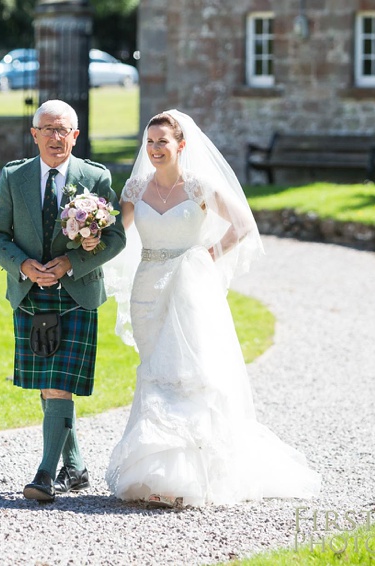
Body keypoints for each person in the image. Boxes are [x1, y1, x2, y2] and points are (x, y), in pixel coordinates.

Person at [97, 110, 321, 508]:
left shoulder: (199, 186)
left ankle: (189, 474)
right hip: (147, 288)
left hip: (189, 289)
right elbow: (117, 237)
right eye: (149, 143)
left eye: (162, 142)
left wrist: (206, 256)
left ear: (181, 145)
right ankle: (154, 471)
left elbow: (243, 224)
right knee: (154, 372)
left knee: (187, 373)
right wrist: (88, 231)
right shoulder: (134, 189)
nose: (154, 150)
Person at [0, 100, 126, 502]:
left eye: (63, 130)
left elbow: (114, 238)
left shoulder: (94, 178)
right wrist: (24, 266)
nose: (55, 137)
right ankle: (75, 468)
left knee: (59, 384)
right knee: (48, 387)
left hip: (76, 293)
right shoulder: (15, 177)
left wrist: (71, 262)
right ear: (34, 134)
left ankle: (44, 475)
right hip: (30, 293)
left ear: (75, 135)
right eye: (47, 129)